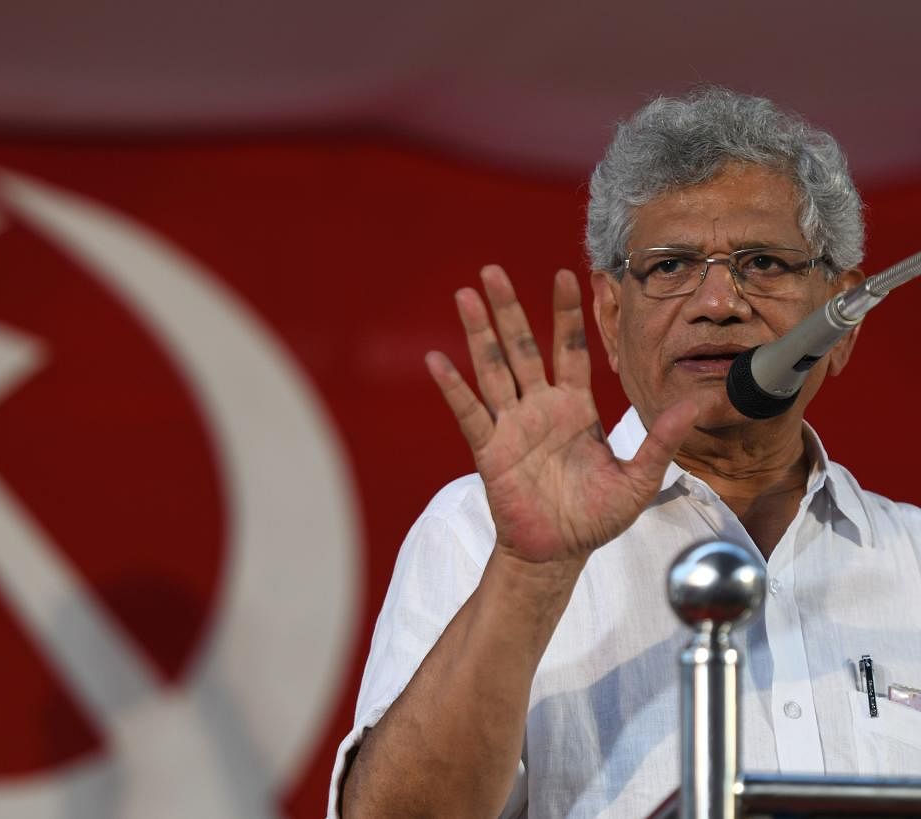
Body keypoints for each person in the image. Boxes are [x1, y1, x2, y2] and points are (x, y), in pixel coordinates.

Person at [329, 86, 921, 818]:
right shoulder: (480, 535)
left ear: (844, 318)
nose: (717, 302)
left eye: (763, 262)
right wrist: (530, 574)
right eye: (671, 266)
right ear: (611, 318)